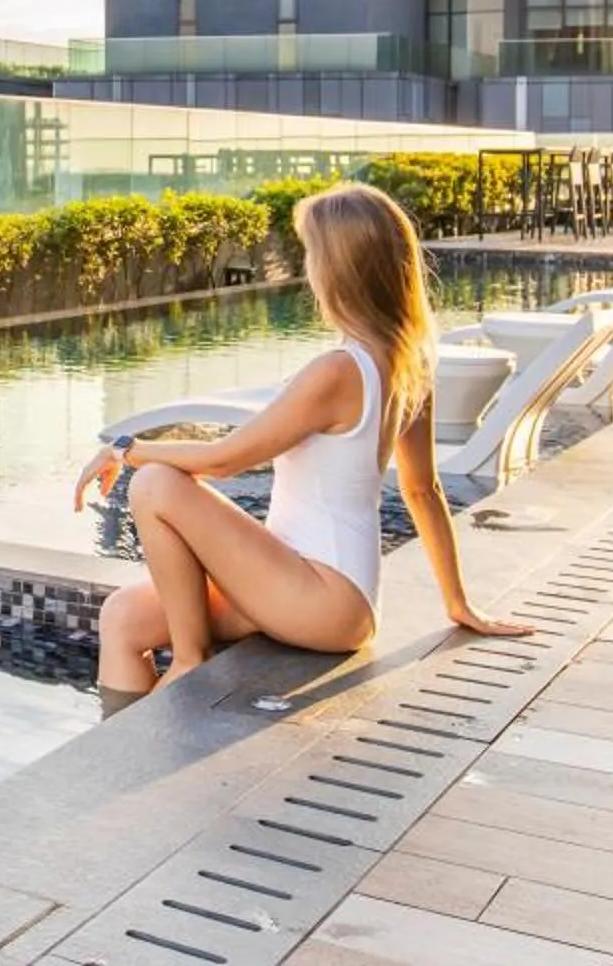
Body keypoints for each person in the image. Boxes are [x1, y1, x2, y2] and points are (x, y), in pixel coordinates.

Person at [72, 182, 531, 709]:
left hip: (320, 597)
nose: (308, 266)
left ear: (338, 269)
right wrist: (457, 602)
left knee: (154, 484)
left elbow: (224, 460)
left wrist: (127, 450)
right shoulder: (408, 362)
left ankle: (189, 661)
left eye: (312, 252)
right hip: (310, 587)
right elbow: (423, 491)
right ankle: (128, 750)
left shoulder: (338, 371)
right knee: (124, 618)